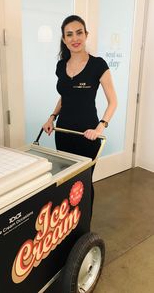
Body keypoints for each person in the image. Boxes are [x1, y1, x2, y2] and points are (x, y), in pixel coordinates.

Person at [43, 15, 117, 217]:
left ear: (86, 35)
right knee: (67, 181)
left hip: (88, 135)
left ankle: (84, 226)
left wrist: (100, 128)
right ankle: (68, 224)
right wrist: (52, 118)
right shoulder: (61, 66)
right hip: (63, 133)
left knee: (83, 183)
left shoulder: (98, 65)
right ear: (64, 39)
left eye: (79, 32)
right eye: (69, 34)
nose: (75, 38)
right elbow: (64, 97)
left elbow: (113, 102)